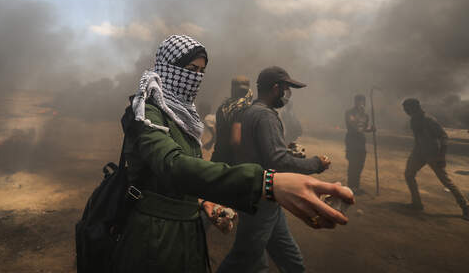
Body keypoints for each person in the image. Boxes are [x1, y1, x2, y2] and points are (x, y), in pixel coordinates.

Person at [111, 38, 350, 273]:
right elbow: (174, 166)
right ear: (167, 68)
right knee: (249, 257)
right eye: (191, 70)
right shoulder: (147, 112)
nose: (196, 78)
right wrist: (266, 182)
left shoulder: (184, 115)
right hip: (156, 236)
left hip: (185, 231)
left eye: (201, 71)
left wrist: (204, 203)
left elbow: (185, 173)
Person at [217, 66, 332, 273]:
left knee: (291, 259)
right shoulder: (267, 116)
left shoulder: (247, 112)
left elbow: (251, 147)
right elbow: (279, 161)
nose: (287, 95)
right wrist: (316, 164)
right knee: (242, 259)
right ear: (276, 88)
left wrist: (280, 149)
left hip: (265, 195)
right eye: (287, 89)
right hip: (261, 196)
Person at [402, 98, 469, 220]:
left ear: (414, 107)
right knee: (409, 174)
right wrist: (415, 153)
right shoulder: (413, 120)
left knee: (446, 181)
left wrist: (442, 156)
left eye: (407, 108)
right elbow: (418, 138)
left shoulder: (429, 120)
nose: (405, 111)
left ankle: (466, 207)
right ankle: (417, 204)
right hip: (419, 153)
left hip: (433, 154)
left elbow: (444, 136)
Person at [211, 75, 252, 165]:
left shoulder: (223, 107)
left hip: (218, 157)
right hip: (234, 162)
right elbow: (236, 142)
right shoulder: (243, 109)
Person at [344, 94, 374, 192]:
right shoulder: (349, 113)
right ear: (355, 102)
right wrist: (359, 114)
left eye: (362, 101)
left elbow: (363, 128)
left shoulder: (365, 115)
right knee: (353, 163)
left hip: (361, 141)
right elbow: (353, 125)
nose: (360, 103)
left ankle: (356, 186)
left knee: (360, 164)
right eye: (358, 101)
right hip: (352, 140)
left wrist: (371, 129)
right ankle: (351, 186)